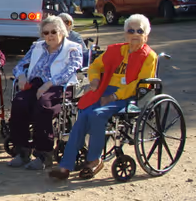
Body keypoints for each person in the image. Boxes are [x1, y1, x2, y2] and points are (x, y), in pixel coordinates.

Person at [49, 14, 158, 180]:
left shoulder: (149, 56)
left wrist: (115, 96)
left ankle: (94, 159)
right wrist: (94, 80)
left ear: (146, 35)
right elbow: (94, 66)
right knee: (83, 115)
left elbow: (138, 84)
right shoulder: (115, 50)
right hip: (103, 90)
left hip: (126, 96)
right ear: (125, 33)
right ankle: (65, 165)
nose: (135, 34)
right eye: (130, 30)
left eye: (139, 30)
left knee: (96, 115)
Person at [8, 15, 83, 170]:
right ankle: (22, 151)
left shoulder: (73, 48)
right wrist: (21, 77)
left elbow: (70, 71)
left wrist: (48, 84)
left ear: (62, 31)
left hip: (59, 87)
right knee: (19, 103)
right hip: (35, 84)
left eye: (53, 32)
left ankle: (44, 154)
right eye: (46, 33)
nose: (49, 36)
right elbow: (20, 65)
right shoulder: (37, 46)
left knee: (43, 107)